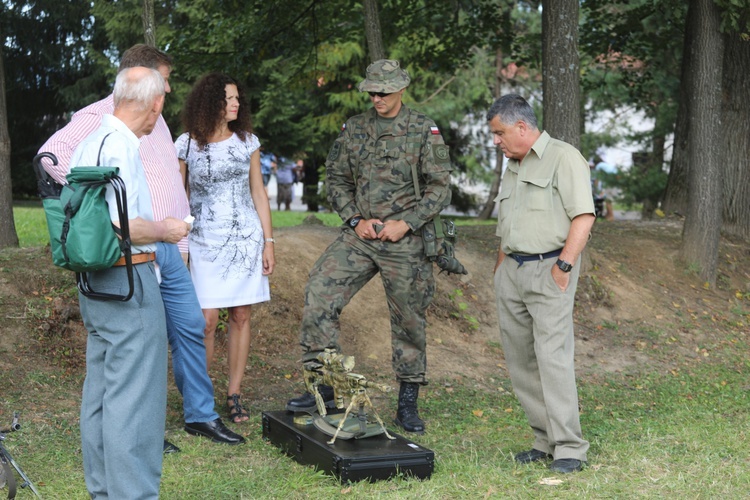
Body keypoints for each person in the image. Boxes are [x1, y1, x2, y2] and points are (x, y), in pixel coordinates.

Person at [38, 45, 244, 448]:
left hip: (167, 242)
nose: (168, 87)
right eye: (164, 78)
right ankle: (145, 427)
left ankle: (200, 415)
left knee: (192, 325)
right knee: (141, 342)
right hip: (131, 244)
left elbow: (168, 175)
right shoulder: (99, 117)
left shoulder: (157, 120)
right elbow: (52, 156)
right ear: (143, 78)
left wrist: (177, 236)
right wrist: (101, 206)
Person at [286, 59, 452, 434]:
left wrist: (407, 223)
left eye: (384, 92)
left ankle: (407, 402)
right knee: (320, 292)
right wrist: (353, 220)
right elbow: (337, 178)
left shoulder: (423, 129)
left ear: (401, 89)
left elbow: (440, 187)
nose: (376, 97)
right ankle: (325, 387)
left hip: (404, 239)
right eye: (372, 91)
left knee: (408, 318)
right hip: (360, 236)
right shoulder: (355, 128)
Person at [67, 66, 186, 498]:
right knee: (135, 399)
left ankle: (104, 492)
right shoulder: (122, 144)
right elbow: (122, 224)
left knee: (100, 394)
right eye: (164, 99)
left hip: (93, 282)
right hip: (127, 280)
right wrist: (167, 229)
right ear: (155, 104)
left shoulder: (90, 140)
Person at [487, 94, 595, 474]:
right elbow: (509, 224)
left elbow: (583, 216)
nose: (495, 141)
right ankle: (544, 439)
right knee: (521, 359)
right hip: (512, 272)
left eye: (499, 133)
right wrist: (501, 269)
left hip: (550, 268)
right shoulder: (513, 166)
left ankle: (569, 447)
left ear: (521, 127)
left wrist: (564, 266)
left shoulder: (564, 158)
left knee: (552, 358)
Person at [175, 73, 275, 423]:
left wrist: (269, 241)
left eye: (237, 99)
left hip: (244, 239)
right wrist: (181, 244)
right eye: (228, 99)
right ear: (210, 103)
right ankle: (199, 398)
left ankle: (233, 394)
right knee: (205, 320)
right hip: (202, 239)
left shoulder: (247, 141)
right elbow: (179, 196)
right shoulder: (186, 144)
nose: (236, 104)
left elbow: (258, 192)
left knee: (241, 315)